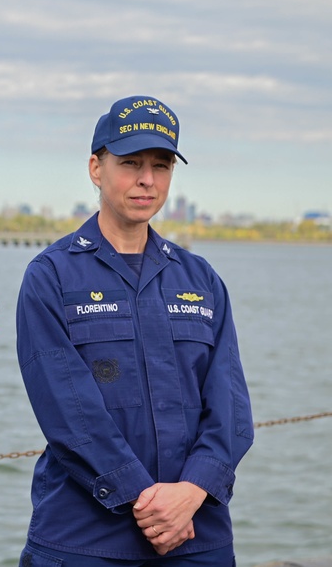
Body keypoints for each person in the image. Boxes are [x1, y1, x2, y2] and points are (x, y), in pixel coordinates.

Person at [15, 96, 253, 566]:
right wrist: (149, 503)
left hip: (195, 534)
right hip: (85, 535)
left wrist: (192, 490)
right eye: (130, 163)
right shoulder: (51, 276)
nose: (147, 179)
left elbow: (230, 403)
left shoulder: (200, 279)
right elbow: (67, 409)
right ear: (95, 168)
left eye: (161, 165)